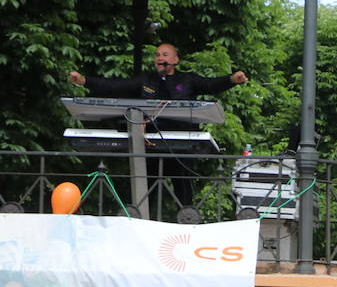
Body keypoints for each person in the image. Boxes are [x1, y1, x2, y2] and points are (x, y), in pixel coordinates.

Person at [69, 44, 249, 208]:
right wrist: (85, 81)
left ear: (175, 60)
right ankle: (141, 221)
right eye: (157, 55)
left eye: (164, 54)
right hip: (150, 143)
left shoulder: (187, 80)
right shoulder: (146, 80)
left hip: (181, 145)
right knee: (146, 188)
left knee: (183, 188)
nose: (159, 58)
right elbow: (115, 87)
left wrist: (232, 79)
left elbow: (210, 85)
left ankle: (187, 222)